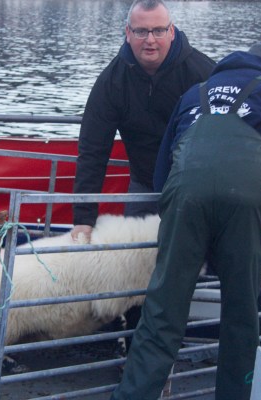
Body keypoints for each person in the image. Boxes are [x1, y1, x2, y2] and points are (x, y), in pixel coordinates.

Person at [110, 43, 261, 400]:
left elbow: (162, 172)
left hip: (185, 194)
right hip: (249, 196)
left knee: (163, 308)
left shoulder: (194, 93)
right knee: (242, 311)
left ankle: (132, 395)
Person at [71, 0, 215, 242]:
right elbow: (92, 151)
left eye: (158, 30)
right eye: (141, 31)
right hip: (144, 183)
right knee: (130, 257)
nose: (150, 40)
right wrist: (83, 220)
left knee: (191, 261)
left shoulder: (203, 74)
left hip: (195, 186)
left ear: (171, 31)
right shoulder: (111, 82)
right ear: (128, 33)